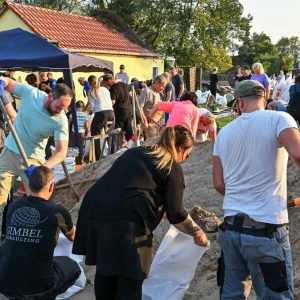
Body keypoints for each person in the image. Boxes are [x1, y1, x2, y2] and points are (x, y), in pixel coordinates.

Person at [72, 125, 208, 300]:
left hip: (93, 210)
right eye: (187, 153)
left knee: (106, 271)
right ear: (181, 148)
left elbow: (132, 185)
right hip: (126, 221)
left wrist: (159, 206)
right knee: (131, 278)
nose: (187, 157)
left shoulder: (136, 152)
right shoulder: (171, 167)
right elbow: (176, 214)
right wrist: (197, 232)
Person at [213, 80, 300, 299]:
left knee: (232, 295)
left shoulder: (224, 133)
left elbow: (219, 184)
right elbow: (297, 153)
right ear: (265, 97)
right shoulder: (279, 118)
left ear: (240, 102)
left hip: (231, 231)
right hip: (265, 231)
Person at [0, 77, 72, 230]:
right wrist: (2, 83)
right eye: (59, 107)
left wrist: (43, 168)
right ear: (50, 96)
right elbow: (6, 80)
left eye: (64, 109)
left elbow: (61, 151)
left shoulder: (61, 120)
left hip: (34, 161)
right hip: (10, 153)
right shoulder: (30, 93)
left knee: (40, 204)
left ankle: (34, 238)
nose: (61, 111)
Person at [0, 166, 80, 299]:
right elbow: (74, 237)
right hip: (38, 288)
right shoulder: (57, 211)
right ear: (51, 186)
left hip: (5, 284)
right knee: (72, 266)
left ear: (29, 185)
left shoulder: (13, 207)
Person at [87, 75, 114, 160]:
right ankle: (112, 153)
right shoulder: (105, 89)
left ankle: (98, 156)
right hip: (111, 112)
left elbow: (91, 107)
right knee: (110, 134)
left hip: (101, 113)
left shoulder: (91, 91)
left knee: (95, 133)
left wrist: (91, 111)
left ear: (89, 83)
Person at [102, 74, 132, 141]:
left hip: (120, 113)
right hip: (129, 111)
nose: (105, 85)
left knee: (118, 131)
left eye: (105, 83)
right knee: (129, 131)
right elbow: (130, 95)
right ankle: (131, 146)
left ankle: (119, 148)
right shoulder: (124, 84)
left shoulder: (113, 89)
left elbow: (113, 102)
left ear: (109, 81)